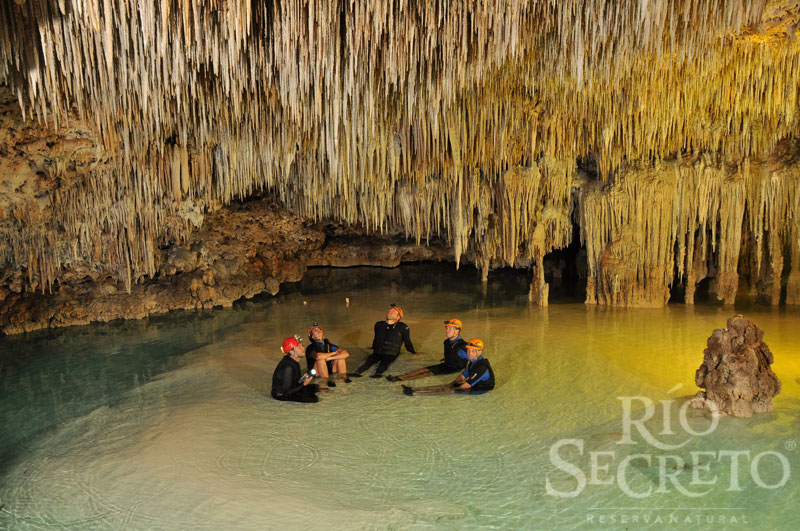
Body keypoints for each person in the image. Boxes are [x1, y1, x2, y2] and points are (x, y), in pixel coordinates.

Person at [401, 338, 494, 395]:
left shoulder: (481, 367)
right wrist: (452, 383)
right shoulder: (474, 360)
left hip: (480, 389)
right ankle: (413, 389)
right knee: (447, 386)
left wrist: (452, 388)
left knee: (447, 390)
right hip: (473, 382)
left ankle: (415, 394)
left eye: (473, 351)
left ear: (480, 352)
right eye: (469, 350)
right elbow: (464, 374)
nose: (469, 353)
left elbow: (468, 385)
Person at [385, 318, 468, 381]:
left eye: (450, 329)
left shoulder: (462, 345)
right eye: (447, 328)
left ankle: (400, 379)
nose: (447, 331)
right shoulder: (446, 342)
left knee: (428, 373)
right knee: (423, 369)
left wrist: (467, 374)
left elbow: (473, 360)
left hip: (454, 368)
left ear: (457, 331)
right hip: (446, 364)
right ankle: (398, 377)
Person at [351, 304, 415, 378]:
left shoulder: (403, 327)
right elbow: (376, 338)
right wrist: (373, 347)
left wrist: (413, 352)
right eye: (390, 310)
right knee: (369, 361)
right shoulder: (379, 324)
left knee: (384, 363)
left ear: (398, 317)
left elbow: (407, 341)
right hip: (378, 351)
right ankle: (358, 372)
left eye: (393, 311)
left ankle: (378, 373)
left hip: (391, 352)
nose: (390, 312)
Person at [271, 336, 320, 402]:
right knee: (314, 399)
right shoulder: (288, 367)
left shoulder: (294, 361)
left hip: (290, 389)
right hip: (281, 395)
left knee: (315, 387)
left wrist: (303, 379)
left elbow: (294, 382)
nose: (303, 348)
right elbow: (287, 392)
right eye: (299, 347)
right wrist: (304, 384)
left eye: (302, 346)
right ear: (291, 352)